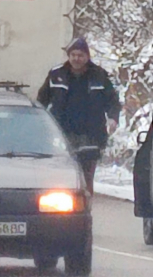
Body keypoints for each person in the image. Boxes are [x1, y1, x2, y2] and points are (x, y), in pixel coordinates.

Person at [37, 37, 120, 192]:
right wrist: (41, 123)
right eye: (73, 54)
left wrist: (113, 118)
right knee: (61, 172)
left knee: (87, 173)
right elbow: (42, 100)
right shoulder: (56, 75)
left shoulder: (99, 76)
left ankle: (85, 202)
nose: (76, 58)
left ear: (87, 57)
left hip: (91, 134)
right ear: (69, 56)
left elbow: (112, 101)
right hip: (62, 133)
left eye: (80, 55)